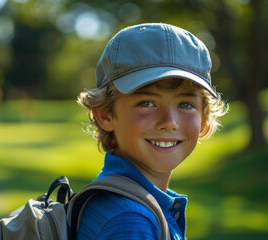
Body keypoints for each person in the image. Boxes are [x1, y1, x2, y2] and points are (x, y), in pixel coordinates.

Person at [76, 23, 228, 240]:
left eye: (185, 105)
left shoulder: (130, 204)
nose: (169, 122)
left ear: (203, 120)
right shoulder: (130, 221)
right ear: (105, 115)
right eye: (147, 103)